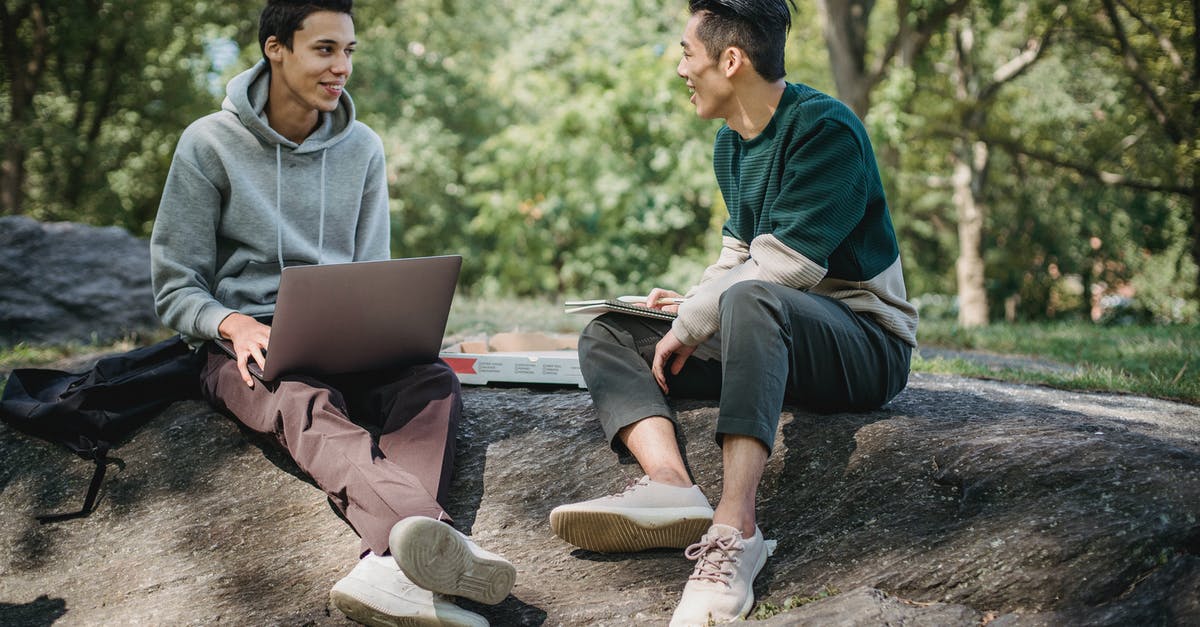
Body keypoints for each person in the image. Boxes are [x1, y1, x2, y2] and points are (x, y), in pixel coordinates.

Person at [548, 0, 919, 624]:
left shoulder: (826, 130)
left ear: (731, 60)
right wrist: (686, 304)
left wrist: (697, 317)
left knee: (751, 298)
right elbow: (738, 256)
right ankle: (670, 485)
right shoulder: (732, 142)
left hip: (865, 342)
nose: (680, 69)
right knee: (612, 332)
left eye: (687, 53)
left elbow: (787, 268)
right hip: (771, 328)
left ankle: (735, 530)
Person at [149, 2, 513, 625]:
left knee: (431, 382)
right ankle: (425, 538)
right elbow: (175, 288)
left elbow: (372, 272)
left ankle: (387, 571)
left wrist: (390, 330)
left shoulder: (362, 147)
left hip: (343, 336)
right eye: (324, 49)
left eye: (348, 51)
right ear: (275, 49)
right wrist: (233, 323)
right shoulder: (208, 143)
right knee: (302, 400)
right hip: (245, 344)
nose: (341, 66)